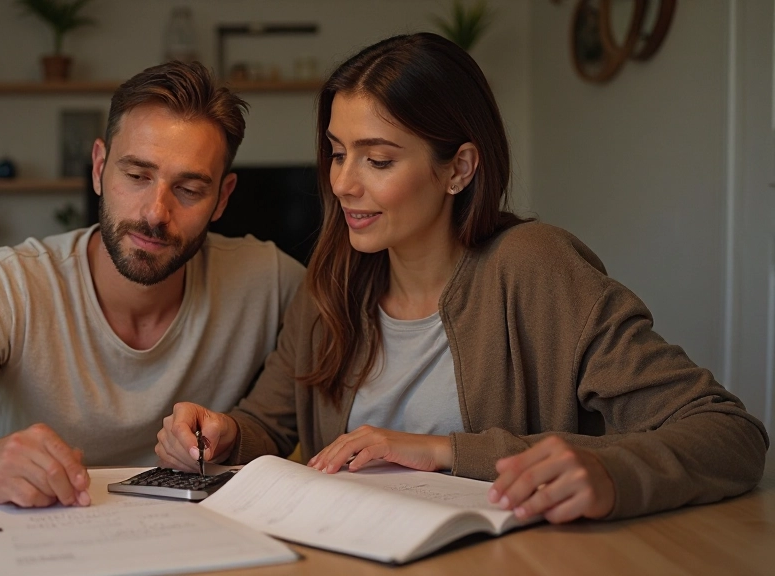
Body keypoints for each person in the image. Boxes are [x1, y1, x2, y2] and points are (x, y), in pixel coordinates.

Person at [155, 34, 769, 523]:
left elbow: (729, 434)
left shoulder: (534, 267)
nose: (342, 182)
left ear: (460, 169)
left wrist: (452, 452)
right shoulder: (331, 281)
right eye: (338, 152)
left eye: (378, 159)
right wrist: (225, 434)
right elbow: (270, 424)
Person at [0, 61, 305, 508]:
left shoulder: (272, 280)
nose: (155, 213)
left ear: (221, 198)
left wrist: (234, 434)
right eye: (136, 175)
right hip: (47, 532)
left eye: (189, 189)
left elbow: (286, 420)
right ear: (99, 167)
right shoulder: (13, 284)